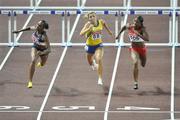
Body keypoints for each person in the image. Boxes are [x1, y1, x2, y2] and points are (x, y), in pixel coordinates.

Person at [13, 20, 51, 88]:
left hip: (43, 51)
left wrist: (41, 53)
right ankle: (30, 81)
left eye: (39, 25)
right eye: (37, 24)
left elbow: (49, 49)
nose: (37, 25)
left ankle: (40, 63)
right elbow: (28, 28)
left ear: (42, 28)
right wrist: (19, 31)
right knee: (33, 60)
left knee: (43, 64)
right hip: (35, 47)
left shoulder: (44, 36)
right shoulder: (36, 28)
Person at [80, 12, 114, 85]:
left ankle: (100, 78)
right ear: (88, 18)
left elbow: (104, 25)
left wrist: (109, 31)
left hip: (98, 45)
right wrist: (88, 29)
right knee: (90, 62)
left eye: (93, 16)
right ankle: (93, 64)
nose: (92, 17)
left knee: (99, 59)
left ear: (96, 17)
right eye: (90, 17)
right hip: (89, 46)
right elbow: (81, 34)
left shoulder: (101, 21)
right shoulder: (88, 24)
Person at [116, 16, 149, 89]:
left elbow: (147, 39)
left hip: (142, 49)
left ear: (140, 23)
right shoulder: (130, 27)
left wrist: (139, 35)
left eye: (136, 22)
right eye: (134, 21)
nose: (134, 23)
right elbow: (124, 27)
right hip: (133, 48)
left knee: (143, 64)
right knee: (135, 63)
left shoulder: (142, 29)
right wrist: (118, 35)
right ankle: (136, 82)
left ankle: (140, 57)